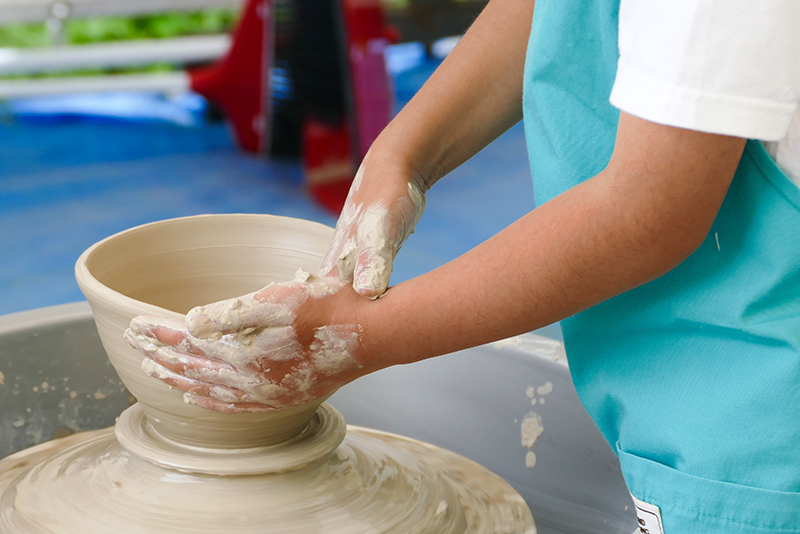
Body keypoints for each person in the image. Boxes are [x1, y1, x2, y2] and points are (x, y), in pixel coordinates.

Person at [125, 0, 800, 532]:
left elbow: (648, 210)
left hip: (759, 435)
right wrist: (402, 153)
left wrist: (352, 341)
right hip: (668, 381)